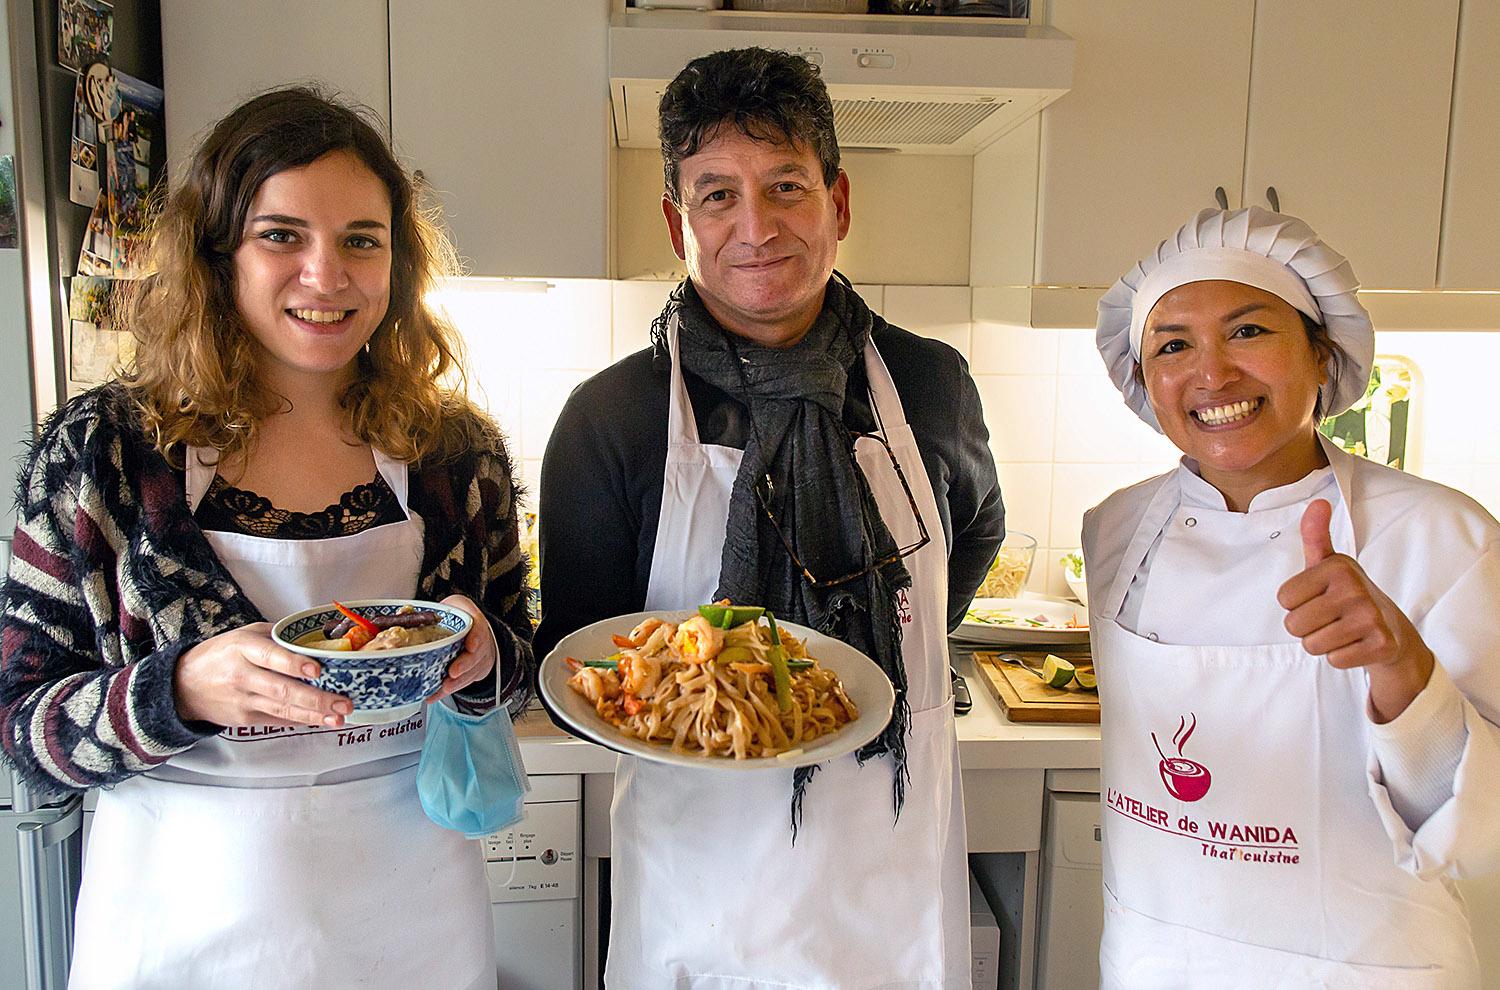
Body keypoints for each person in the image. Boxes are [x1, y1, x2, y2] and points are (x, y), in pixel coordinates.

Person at [0, 88, 533, 989]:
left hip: (413, 921)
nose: (327, 277)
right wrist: (178, 689)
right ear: (219, 257)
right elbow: (21, 723)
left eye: (362, 240)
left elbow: (519, 669)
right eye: (282, 235)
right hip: (179, 926)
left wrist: (485, 662)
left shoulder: (454, 453)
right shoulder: (107, 457)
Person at [536, 47, 1004, 989]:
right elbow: (583, 654)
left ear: (837, 202)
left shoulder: (929, 385)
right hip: (704, 892)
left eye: (785, 186)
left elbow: (973, 539)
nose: (756, 227)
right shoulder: (615, 418)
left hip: (894, 885)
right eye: (716, 195)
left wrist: (860, 662)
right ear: (678, 223)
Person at [1084, 206, 1500, 988]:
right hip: (1153, 962)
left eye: (1248, 331)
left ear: (1322, 355)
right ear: (1144, 383)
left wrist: (1405, 671)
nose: (1212, 375)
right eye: (1173, 345)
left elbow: (1486, 840)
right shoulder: (1116, 531)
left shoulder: (1445, 537)